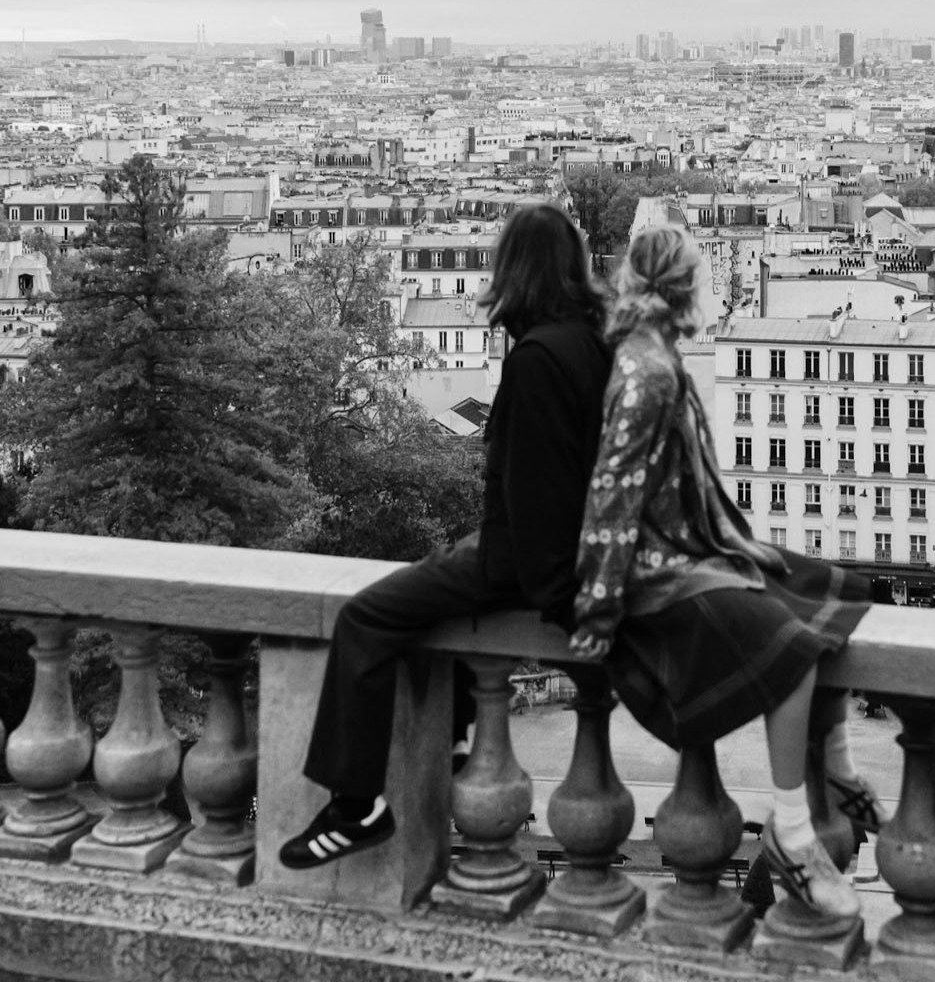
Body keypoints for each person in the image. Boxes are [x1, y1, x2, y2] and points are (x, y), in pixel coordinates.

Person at [280, 203, 611, 869]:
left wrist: (552, 595)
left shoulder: (538, 359)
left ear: (514, 272)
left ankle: (357, 803)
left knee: (368, 618)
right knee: (439, 575)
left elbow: (537, 495)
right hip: (554, 550)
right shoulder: (589, 342)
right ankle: (457, 737)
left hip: (520, 562)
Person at [567, 226, 883, 921]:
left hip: (687, 546)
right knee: (792, 641)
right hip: (659, 568)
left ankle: (836, 761)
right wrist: (597, 613)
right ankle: (794, 832)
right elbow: (611, 493)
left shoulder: (656, 356)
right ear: (687, 290)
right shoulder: (646, 370)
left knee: (836, 590)